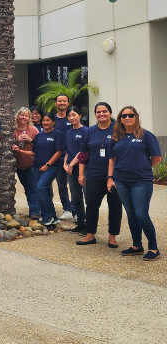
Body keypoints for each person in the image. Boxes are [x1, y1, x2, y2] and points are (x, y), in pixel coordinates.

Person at [108, 106, 162, 260]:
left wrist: (142, 167)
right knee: (131, 214)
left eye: (131, 115)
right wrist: (110, 178)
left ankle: (154, 248)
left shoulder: (146, 135)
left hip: (141, 181)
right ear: (120, 119)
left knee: (141, 214)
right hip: (121, 180)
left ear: (136, 117)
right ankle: (137, 245)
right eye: (124, 115)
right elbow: (112, 159)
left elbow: (157, 158)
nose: (127, 118)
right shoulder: (116, 137)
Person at [77, 102, 122, 247]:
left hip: (114, 176)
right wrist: (81, 174)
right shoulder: (89, 131)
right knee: (91, 205)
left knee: (114, 206)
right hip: (94, 174)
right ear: (95, 114)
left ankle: (112, 237)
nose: (101, 114)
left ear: (110, 113)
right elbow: (83, 153)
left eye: (104, 111)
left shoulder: (118, 129)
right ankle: (90, 235)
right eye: (98, 112)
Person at [32, 113, 64, 227]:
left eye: (48, 120)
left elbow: (59, 152)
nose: (45, 122)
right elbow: (33, 152)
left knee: (41, 187)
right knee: (44, 191)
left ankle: (46, 216)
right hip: (37, 167)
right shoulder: (39, 135)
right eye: (44, 120)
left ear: (54, 122)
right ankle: (54, 217)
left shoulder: (58, 134)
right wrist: (19, 151)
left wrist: (47, 165)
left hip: (51, 167)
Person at [11, 108, 40, 218]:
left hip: (32, 163)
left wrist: (30, 140)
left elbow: (40, 146)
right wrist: (16, 141)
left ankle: (34, 212)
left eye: (26, 116)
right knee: (27, 187)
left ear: (29, 118)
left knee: (32, 187)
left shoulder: (33, 130)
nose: (23, 117)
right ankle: (35, 208)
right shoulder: (13, 130)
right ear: (17, 116)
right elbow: (6, 147)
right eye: (21, 115)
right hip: (19, 164)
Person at [63, 107, 88, 234]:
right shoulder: (68, 133)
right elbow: (67, 151)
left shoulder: (86, 131)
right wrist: (65, 164)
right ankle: (81, 222)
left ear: (80, 115)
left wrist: (71, 164)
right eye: (69, 116)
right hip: (70, 169)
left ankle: (89, 225)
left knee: (88, 196)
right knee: (76, 196)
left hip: (83, 168)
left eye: (74, 115)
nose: (71, 118)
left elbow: (83, 151)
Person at [50, 94, 75, 221]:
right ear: (56, 103)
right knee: (62, 185)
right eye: (59, 101)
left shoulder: (72, 118)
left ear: (68, 103)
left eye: (64, 101)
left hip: (72, 158)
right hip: (57, 157)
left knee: (75, 186)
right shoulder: (52, 120)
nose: (62, 103)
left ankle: (76, 210)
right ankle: (67, 209)